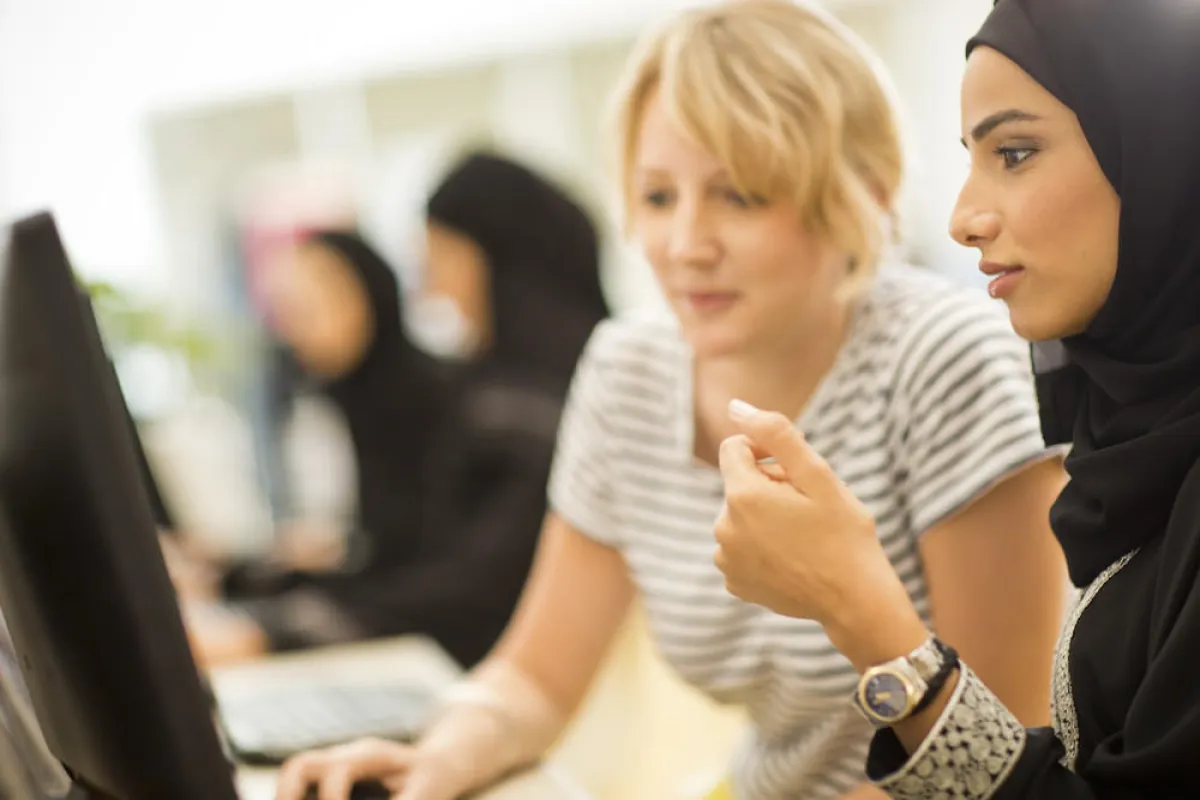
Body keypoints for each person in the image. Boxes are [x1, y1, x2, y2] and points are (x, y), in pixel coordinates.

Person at [273, 2, 1068, 799]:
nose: (686, 245)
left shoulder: (945, 360)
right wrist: (433, 757)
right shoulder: (628, 370)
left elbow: (993, 751)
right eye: (657, 198)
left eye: (740, 196)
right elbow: (535, 679)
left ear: (862, 189)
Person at [709, 0, 1200, 797]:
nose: (963, 219)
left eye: (1015, 152)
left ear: (1161, 153)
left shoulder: (944, 362)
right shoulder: (1132, 438)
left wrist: (862, 612)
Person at [196, 171, 607, 667]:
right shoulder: (488, 394)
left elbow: (470, 588)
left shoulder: (516, 410)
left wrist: (273, 632)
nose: (431, 290)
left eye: (441, 260)